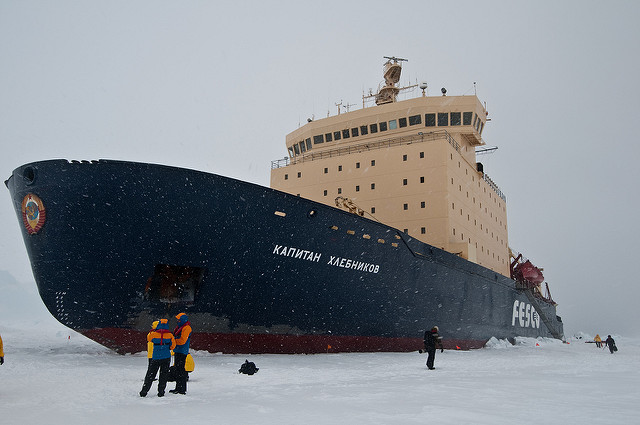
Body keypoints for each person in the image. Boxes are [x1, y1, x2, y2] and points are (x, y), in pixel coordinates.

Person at [140, 319, 175, 397]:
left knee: (150, 374)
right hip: (166, 357)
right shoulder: (170, 335)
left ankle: (144, 391)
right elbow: (173, 346)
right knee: (164, 375)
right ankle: (161, 392)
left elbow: (149, 339)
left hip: (155, 357)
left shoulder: (153, 334)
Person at [170, 312, 192, 395]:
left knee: (181, 370)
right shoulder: (181, 327)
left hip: (182, 351)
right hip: (178, 350)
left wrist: (172, 341)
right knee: (177, 369)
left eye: (179, 319)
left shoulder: (187, 328)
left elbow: (183, 341)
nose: (177, 321)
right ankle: (178, 387)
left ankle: (182, 389)